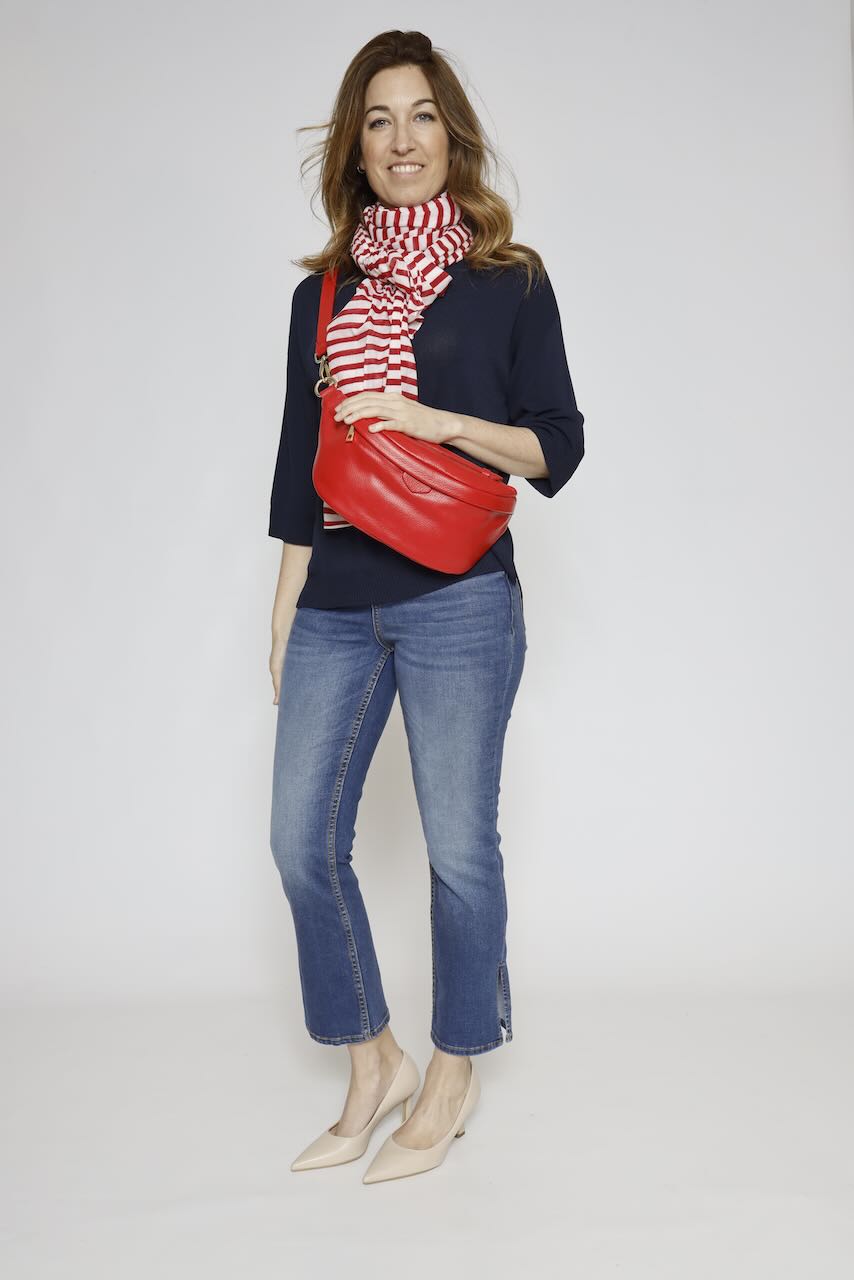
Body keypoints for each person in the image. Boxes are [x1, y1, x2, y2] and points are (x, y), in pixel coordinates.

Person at [267, 30, 585, 1183]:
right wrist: (283, 609)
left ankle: (453, 1070)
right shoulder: (321, 296)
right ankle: (374, 1061)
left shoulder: (508, 283)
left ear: (451, 134)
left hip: (459, 597)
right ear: (354, 147)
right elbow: (300, 461)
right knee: (300, 840)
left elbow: (555, 447)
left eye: (420, 116)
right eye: (377, 120)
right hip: (337, 596)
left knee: (457, 846)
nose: (400, 140)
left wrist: (432, 419)